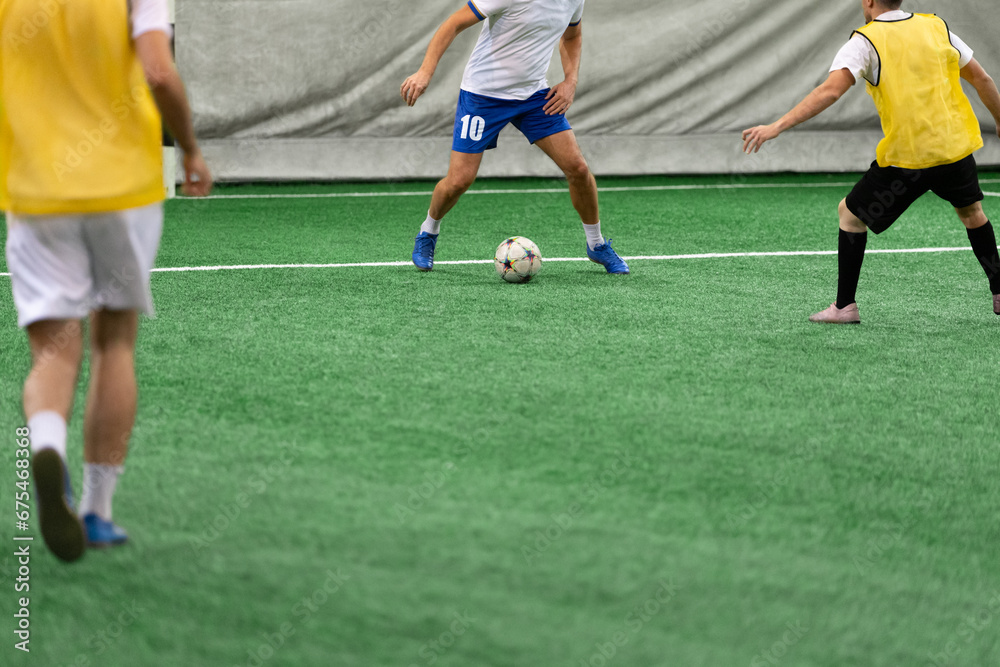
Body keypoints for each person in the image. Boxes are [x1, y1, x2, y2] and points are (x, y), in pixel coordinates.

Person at [1, 0, 213, 561]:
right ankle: (98, 512)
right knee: (114, 339)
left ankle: (48, 447)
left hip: (36, 186)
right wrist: (190, 148)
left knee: (53, 351)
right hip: (123, 186)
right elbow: (158, 71)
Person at [742, 0, 1000, 323]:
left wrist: (776, 126)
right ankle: (999, 290)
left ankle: (844, 307)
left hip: (907, 161)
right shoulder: (937, 27)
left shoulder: (865, 41)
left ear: (869, 1)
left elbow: (830, 92)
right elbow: (983, 79)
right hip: (954, 149)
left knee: (849, 215)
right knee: (973, 214)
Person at [400, 0, 629, 275]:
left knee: (578, 168)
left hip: (533, 97)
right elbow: (454, 23)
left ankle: (597, 244)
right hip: (483, 96)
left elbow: (572, 35)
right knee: (459, 180)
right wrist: (425, 72)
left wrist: (570, 81)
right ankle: (428, 232)